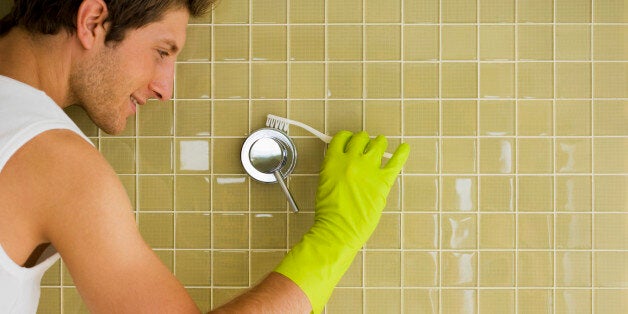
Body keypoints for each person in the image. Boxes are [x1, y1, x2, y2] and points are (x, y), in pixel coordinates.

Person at [0, 0, 410, 313]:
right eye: (163, 51)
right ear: (92, 21)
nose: (166, 89)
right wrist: (335, 239)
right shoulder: (55, 161)